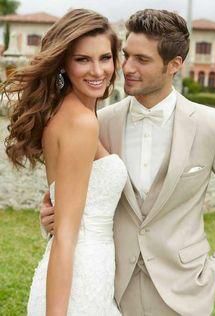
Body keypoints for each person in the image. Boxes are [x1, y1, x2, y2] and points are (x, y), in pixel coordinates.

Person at [40, 9, 215, 316]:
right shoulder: (98, 122)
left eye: (142, 60)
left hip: (186, 292)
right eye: (126, 55)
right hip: (113, 288)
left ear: (175, 65)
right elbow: (73, 197)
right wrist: (51, 215)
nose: (126, 68)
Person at [4, 8, 127, 316]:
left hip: (92, 271)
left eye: (105, 58)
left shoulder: (70, 113)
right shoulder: (80, 122)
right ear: (64, 64)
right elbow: (67, 237)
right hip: (78, 280)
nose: (97, 71)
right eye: (83, 59)